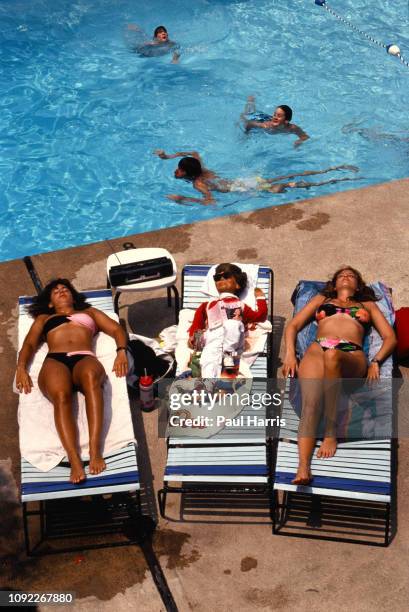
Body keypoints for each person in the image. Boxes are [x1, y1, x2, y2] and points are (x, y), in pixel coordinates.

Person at [282, 267, 396, 485]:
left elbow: (389, 337)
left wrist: (376, 361)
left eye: (351, 275)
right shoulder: (322, 299)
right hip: (317, 350)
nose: (346, 276)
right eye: (341, 275)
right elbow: (294, 325)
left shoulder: (368, 305)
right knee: (310, 405)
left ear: (359, 285)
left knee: (333, 355)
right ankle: (303, 468)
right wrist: (289, 353)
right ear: (334, 285)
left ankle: (330, 431)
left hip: (351, 354)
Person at [15, 279, 129, 484]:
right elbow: (30, 344)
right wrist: (21, 368)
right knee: (61, 396)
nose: (61, 290)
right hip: (55, 360)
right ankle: (74, 459)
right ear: (50, 302)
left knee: (92, 380)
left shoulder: (90, 313)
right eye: (56, 290)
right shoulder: (44, 318)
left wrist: (121, 352)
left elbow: (116, 330)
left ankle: (95, 451)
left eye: (65, 288)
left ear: (73, 295)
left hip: (84, 356)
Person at [154, 149, 359, 205]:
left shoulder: (199, 183)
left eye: (179, 169)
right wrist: (168, 156)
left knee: (290, 184)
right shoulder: (202, 169)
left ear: (187, 173)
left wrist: (182, 199)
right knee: (290, 175)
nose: (176, 171)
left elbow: (210, 201)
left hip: (246, 188)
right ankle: (337, 168)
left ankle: (338, 180)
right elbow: (194, 152)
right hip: (247, 180)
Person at [187, 263, 267, 377]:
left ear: (238, 284)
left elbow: (261, 316)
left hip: (233, 341)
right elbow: (197, 324)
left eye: (227, 276)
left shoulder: (241, 306)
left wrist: (260, 298)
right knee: (208, 362)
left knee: (232, 324)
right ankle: (209, 386)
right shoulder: (207, 305)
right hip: (212, 339)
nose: (221, 279)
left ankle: (228, 360)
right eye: (217, 278)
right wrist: (193, 338)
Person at [241, 96, 309, 147]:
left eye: (279, 116)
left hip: (268, 118)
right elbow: (249, 123)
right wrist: (246, 133)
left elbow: (305, 136)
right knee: (246, 115)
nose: (275, 117)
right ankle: (250, 101)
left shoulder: (292, 128)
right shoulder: (266, 126)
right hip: (261, 118)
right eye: (274, 114)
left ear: (286, 121)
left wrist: (299, 141)